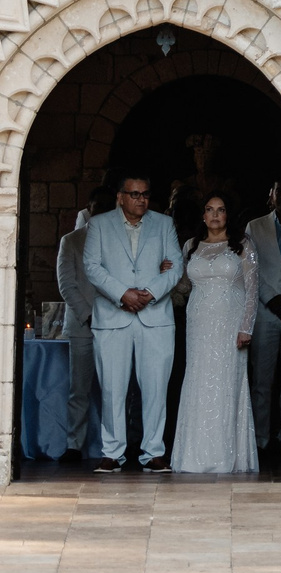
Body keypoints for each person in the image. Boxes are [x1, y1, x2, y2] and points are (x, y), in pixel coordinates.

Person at [83, 175, 183, 473]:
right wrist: (122, 294)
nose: (141, 199)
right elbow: (91, 267)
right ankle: (112, 453)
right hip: (114, 317)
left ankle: (153, 453)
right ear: (120, 197)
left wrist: (149, 293)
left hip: (155, 318)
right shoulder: (99, 225)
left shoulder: (164, 224)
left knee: (155, 388)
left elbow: (176, 265)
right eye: (135, 194)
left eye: (145, 194)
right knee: (112, 388)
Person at [170, 193, 260, 474]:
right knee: (197, 381)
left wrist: (247, 327)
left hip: (230, 324)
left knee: (227, 383)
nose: (215, 215)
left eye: (220, 210)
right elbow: (183, 288)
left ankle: (225, 457)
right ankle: (193, 457)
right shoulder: (190, 246)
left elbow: (253, 289)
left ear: (227, 215)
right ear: (203, 216)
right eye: (209, 210)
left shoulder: (243, 245)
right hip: (198, 323)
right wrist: (168, 273)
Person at [53, 186, 116, 461]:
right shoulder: (72, 241)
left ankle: (116, 447)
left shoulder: (120, 242)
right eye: (96, 206)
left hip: (115, 324)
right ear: (89, 208)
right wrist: (88, 315)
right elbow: (66, 284)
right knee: (79, 389)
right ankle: (74, 444)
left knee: (116, 389)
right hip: (82, 325)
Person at [243, 180, 281, 469]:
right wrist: (271, 299)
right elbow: (251, 270)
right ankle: (261, 439)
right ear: (271, 195)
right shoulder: (255, 226)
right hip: (264, 313)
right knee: (262, 380)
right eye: (280, 191)